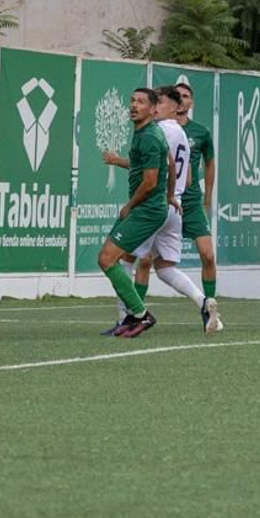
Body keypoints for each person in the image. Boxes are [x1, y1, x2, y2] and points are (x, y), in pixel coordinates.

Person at [129, 86, 222, 334]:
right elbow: (189, 177)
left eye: (158, 102)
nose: (154, 106)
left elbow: (158, 167)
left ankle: (127, 318)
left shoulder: (158, 131)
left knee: (124, 257)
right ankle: (204, 303)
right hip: (175, 205)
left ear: (174, 106)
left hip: (157, 203)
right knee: (164, 267)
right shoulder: (181, 132)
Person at [96, 88, 170, 339]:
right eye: (132, 101)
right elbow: (163, 164)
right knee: (118, 259)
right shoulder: (144, 134)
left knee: (107, 259)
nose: (133, 106)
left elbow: (150, 181)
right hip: (150, 207)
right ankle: (132, 314)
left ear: (153, 109)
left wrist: (130, 205)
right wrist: (119, 161)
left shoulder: (149, 136)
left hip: (146, 209)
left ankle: (140, 313)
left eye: (140, 102)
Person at [175, 82, 220, 313]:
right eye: (177, 96)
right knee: (146, 260)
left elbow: (210, 162)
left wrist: (208, 196)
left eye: (185, 96)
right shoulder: (160, 128)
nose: (181, 100)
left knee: (208, 255)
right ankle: (135, 313)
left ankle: (209, 306)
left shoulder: (201, 132)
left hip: (192, 203)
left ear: (191, 102)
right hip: (167, 202)